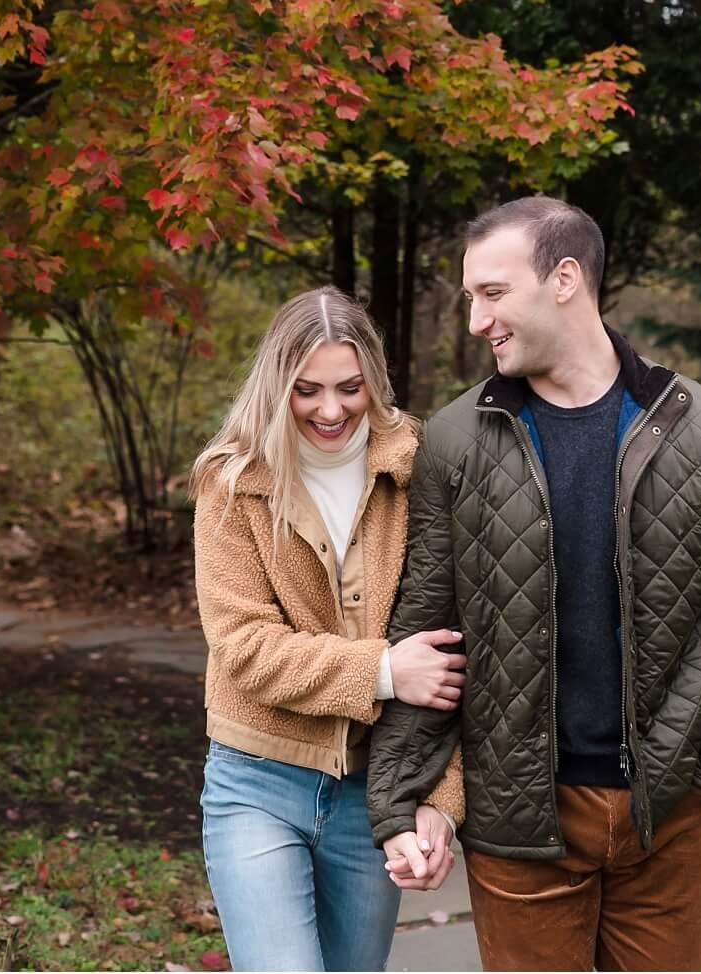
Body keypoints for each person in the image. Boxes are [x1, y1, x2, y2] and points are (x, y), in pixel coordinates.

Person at [368, 196, 701, 971]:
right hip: (519, 823)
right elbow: (425, 627)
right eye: (469, 298)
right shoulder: (458, 440)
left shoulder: (699, 424)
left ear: (564, 278)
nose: (475, 320)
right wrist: (401, 801)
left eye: (491, 294)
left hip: (671, 813)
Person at [192, 286, 468, 972]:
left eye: (350, 388)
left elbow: (458, 654)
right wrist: (382, 670)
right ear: (276, 382)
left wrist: (439, 802)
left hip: (374, 795)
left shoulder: (423, 471)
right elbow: (244, 647)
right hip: (255, 782)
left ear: (374, 379)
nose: (330, 410)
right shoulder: (233, 482)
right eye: (306, 390)